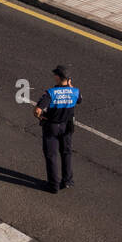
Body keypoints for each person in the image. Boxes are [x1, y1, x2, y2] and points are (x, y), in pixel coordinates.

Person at [34, 65, 80, 193]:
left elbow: (37, 110)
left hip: (52, 126)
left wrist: (41, 117)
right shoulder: (75, 91)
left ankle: (53, 185)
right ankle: (67, 181)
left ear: (58, 77)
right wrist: (70, 88)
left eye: (55, 75)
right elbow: (79, 100)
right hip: (67, 126)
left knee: (51, 155)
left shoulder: (51, 93)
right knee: (66, 152)